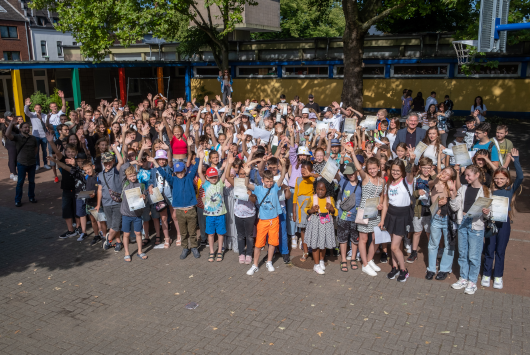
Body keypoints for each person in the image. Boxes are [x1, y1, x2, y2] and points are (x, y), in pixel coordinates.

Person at [482, 149, 522, 289]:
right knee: (489, 249)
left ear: (507, 179)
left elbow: (521, 177)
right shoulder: (489, 190)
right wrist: (485, 211)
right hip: (491, 223)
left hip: (504, 224)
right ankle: (486, 274)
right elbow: (484, 207)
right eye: (497, 178)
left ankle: (498, 276)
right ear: (493, 179)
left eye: (502, 178)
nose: (499, 180)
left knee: (500, 251)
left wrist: (515, 160)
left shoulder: (510, 189)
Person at [449, 164, 491, 295]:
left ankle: (472, 281)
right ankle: (463, 278)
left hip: (476, 226)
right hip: (463, 223)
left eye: (468, 175)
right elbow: (455, 207)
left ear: (477, 175)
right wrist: (452, 196)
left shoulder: (485, 191)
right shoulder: (463, 188)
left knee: (474, 255)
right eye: (465, 175)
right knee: (462, 253)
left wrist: (486, 212)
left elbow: (489, 214)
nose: (466, 177)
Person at [150, 152, 201, 259]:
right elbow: (163, 174)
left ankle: (194, 247)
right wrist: (155, 162)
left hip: (191, 209)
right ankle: (185, 248)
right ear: (175, 173)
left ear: (185, 170)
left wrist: (199, 157)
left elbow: (195, 167)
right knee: (183, 232)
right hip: (180, 211)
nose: (180, 174)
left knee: (192, 231)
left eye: (181, 171)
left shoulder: (189, 177)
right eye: (177, 172)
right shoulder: (173, 180)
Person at [244, 158, 287, 275]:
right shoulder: (258, 189)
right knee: (258, 244)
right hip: (263, 220)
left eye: (271, 181)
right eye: (267, 181)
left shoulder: (275, 187)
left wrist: (282, 165)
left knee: (272, 242)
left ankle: (269, 262)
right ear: (262, 180)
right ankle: (255, 265)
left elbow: (282, 177)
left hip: (274, 220)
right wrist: (247, 174)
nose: (269, 183)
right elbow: (247, 184)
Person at [379, 158, 414, 282]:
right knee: (392, 244)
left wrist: (411, 161)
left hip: (402, 216)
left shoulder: (407, 181)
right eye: (393, 170)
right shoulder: (389, 184)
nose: (395, 172)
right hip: (390, 215)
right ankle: (395, 267)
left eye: (398, 170)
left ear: (402, 171)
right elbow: (386, 204)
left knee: (394, 247)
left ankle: (404, 270)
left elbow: (410, 172)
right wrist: (383, 220)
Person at [350, 152, 384, 277]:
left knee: (376, 238)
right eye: (370, 168)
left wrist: (380, 204)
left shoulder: (381, 181)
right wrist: (353, 153)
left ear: (379, 168)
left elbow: (381, 196)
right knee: (363, 239)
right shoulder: (365, 178)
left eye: (374, 168)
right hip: (364, 211)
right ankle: (365, 264)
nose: (372, 170)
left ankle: (370, 259)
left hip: (375, 212)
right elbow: (358, 168)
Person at [425, 166, 457, 281]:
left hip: (447, 218)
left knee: (449, 244)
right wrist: (436, 178)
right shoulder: (435, 182)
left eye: (447, 174)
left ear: (451, 178)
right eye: (444, 171)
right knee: (433, 243)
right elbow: (429, 183)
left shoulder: (450, 186)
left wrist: (447, 199)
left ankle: (444, 269)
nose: (444, 174)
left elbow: (454, 201)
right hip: (436, 217)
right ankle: (431, 269)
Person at [197, 151, 229, 262]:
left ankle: (219, 251)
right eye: (211, 177)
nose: (214, 179)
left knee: (220, 234)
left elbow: (225, 173)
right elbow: (199, 172)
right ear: (207, 177)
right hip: (209, 215)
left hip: (220, 214)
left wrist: (228, 163)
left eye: (215, 176)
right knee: (210, 234)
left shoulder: (220, 182)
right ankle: (211, 252)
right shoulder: (206, 184)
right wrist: (201, 158)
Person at [304, 179, 338, 275]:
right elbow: (306, 210)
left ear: (327, 189)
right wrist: (311, 210)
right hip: (315, 223)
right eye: (318, 189)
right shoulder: (313, 198)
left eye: (322, 189)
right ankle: (316, 264)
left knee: (323, 243)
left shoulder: (330, 199)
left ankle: (322, 260)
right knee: (315, 244)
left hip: (326, 223)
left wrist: (331, 209)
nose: (320, 191)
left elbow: (335, 211)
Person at [5, 117, 39, 207]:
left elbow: (36, 149)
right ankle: (18, 200)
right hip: (21, 163)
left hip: (32, 163)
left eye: (28, 127)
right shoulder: (17, 137)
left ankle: (31, 197)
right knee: (20, 182)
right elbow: (7, 134)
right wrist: (11, 124)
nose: (27, 129)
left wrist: (32, 157)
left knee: (32, 181)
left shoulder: (33, 138)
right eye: (25, 127)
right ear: (20, 129)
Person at [336, 161, 362, 272]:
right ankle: (343, 260)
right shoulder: (343, 181)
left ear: (357, 172)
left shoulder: (362, 184)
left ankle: (353, 258)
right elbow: (335, 173)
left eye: (352, 173)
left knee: (355, 239)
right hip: (343, 216)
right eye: (348, 173)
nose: (350, 175)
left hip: (356, 218)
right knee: (343, 239)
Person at [120, 164, 149, 262]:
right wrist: (132, 162)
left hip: (137, 214)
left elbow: (145, 200)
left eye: (134, 175)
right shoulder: (124, 183)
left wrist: (144, 197)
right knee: (126, 234)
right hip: (126, 214)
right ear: (126, 177)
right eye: (130, 176)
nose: (132, 177)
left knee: (138, 233)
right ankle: (127, 253)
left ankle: (140, 251)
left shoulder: (141, 185)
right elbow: (122, 167)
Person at [24, 97, 51, 171]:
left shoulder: (44, 115)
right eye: (37, 108)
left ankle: (45, 164)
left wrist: (41, 119)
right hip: (35, 136)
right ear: (34, 109)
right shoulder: (32, 115)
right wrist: (26, 105)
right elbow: (26, 112)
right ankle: (37, 165)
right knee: (36, 151)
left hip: (44, 136)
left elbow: (46, 124)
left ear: (41, 108)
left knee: (44, 151)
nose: (38, 109)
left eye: (39, 108)